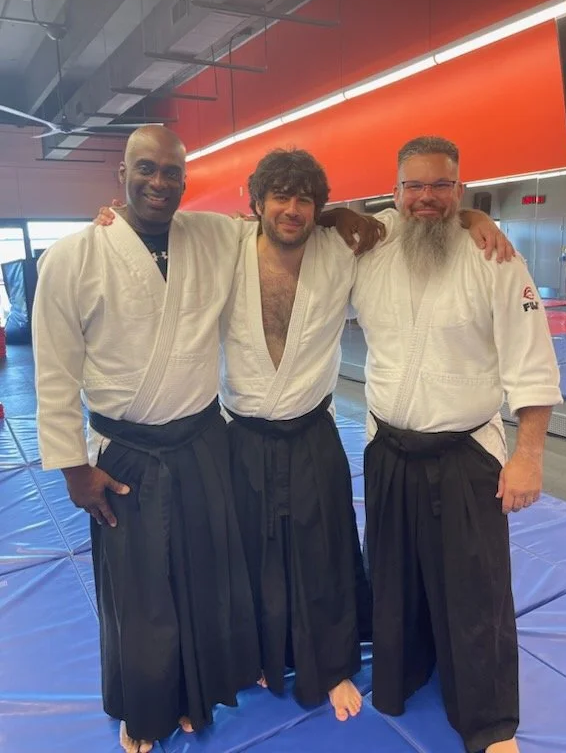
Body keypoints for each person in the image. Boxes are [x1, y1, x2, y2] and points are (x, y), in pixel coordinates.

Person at [219, 148, 515, 722]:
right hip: (243, 432)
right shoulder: (224, 247)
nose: (292, 209)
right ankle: (260, 654)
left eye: (305, 199)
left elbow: (417, 215)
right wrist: (112, 214)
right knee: (249, 553)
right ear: (255, 202)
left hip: (311, 428)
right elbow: (169, 232)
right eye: (280, 197)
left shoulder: (344, 247)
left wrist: (474, 217)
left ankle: (331, 668)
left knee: (325, 551)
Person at [32, 126, 263, 753]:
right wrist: (74, 469)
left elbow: (282, 219)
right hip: (125, 451)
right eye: (145, 168)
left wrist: (363, 220)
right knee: (141, 595)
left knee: (204, 576)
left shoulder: (213, 236)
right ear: (122, 174)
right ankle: (146, 710)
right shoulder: (72, 258)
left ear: (186, 178)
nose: (159, 182)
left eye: (171, 171)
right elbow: (53, 373)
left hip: (200, 439)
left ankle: (194, 694)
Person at [351, 136, 562, 753]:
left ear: (459, 191)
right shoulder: (370, 246)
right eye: (413, 186)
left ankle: (490, 721)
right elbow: (313, 228)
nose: (426, 198)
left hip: (466, 453)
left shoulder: (493, 257)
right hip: (387, 447)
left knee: (476, 588)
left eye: (441, 186)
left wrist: (528, 454)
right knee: (394, 577)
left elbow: (531, 360)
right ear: (394, 192)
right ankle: (405, 672)